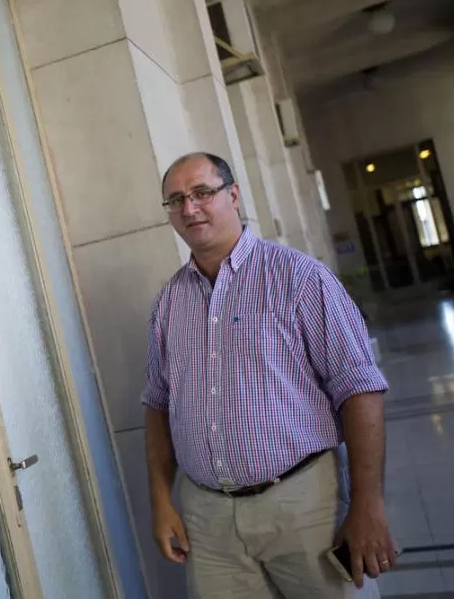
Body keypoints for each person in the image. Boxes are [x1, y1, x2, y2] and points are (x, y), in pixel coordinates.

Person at [142, 152, 396, 598]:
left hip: (304, 504)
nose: (189, 208)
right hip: (208, 517)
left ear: (234, 195)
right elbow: (158, 404)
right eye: (176, 200)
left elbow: (360, 390)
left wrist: (368, 505)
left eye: (202, 193)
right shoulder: (169, 303)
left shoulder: (298, 278)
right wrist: (162, 501)